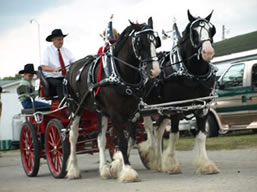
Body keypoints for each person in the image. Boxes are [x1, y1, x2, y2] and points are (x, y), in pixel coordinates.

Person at [41, 29, 76, 101]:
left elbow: (75, 63)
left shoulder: (67, 51)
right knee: (61, 84)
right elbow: (43, 67)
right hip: (52, 77)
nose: (61, 41)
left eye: (62, 39)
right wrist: (54, 69)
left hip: (65, 77)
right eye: (59, 39)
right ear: (53, 40)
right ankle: (64, 106)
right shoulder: (47, 51)